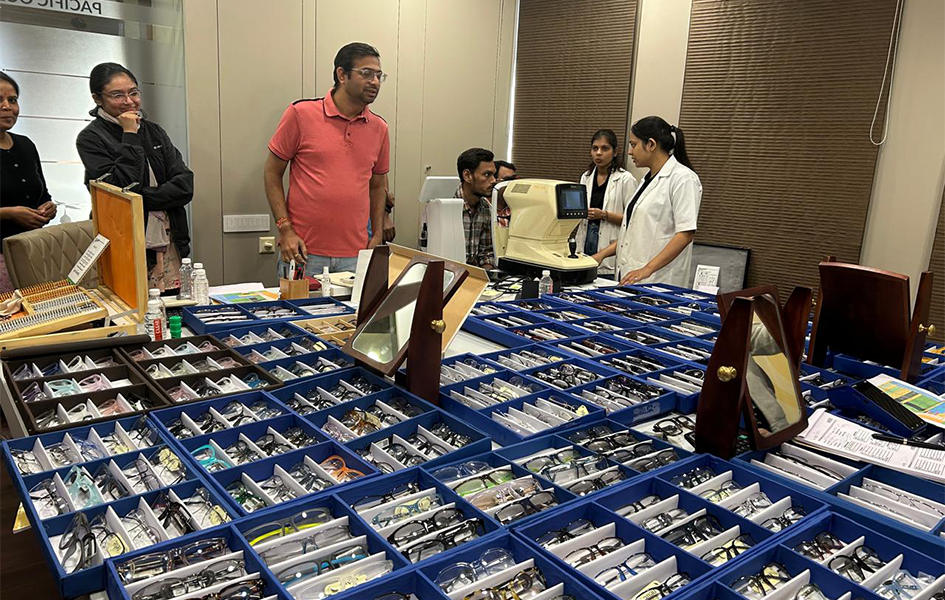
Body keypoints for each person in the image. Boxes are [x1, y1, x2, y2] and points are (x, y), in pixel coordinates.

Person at [265, 42, 390, 276]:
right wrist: (285, 229)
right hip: (303, 252)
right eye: (366, 73)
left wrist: (377, 236)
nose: (374, 82)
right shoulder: (301, 114)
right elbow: (272, 173)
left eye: (378, 75)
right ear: (342, 75)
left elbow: (377, 186)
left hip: (356, 255)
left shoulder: (379, 128)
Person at [76, 63, 194, 293]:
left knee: (174, 303)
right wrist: (129, 134)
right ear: (97, 98)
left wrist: (141, 197)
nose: (129, 101)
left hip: (169, 235)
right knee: (132, 304)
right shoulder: (90, 138)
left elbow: (184, 185)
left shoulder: (154, 131)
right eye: (117, 95)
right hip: (125, 238)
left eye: (133, 93)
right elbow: (120, 190)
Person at [592, 116, 701, 286]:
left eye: (633, 145)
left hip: (659, 281)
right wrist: (601, 255)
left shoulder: (683, 178)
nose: (630, 152)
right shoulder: (646, 180)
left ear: (651, 144)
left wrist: (647, 269)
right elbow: (632, 234)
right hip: (631, 276)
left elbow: (685, 234)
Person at [0, 72, 57, 292]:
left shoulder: (26, 144)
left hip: (33, 251)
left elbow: (42, 194)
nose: (7, 107)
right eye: (0, 100)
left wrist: (48, 207)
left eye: (12, 100)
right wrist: (9, 213)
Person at [573, 129, 637, 278]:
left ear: (615, 152)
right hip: (585, 243)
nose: (599, 153)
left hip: (610, 251)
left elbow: (633, 221)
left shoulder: (625, 179)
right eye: (595, 148)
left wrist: (604, 215)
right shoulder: (586, 177)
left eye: (605, 148)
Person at [454, 147, 496, 269]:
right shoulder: (446, 207)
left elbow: (486, 254)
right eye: (487, 175)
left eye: (493, 175)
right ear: (467, 176)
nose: (493, 181)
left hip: (473, 274)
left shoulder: (486, 208)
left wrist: (485, 276)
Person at [492, 159, 516, 228]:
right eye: (507, 180)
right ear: (494, 180)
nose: (511, 184)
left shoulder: (518, 207)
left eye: (514, 180)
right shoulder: (483, 208)